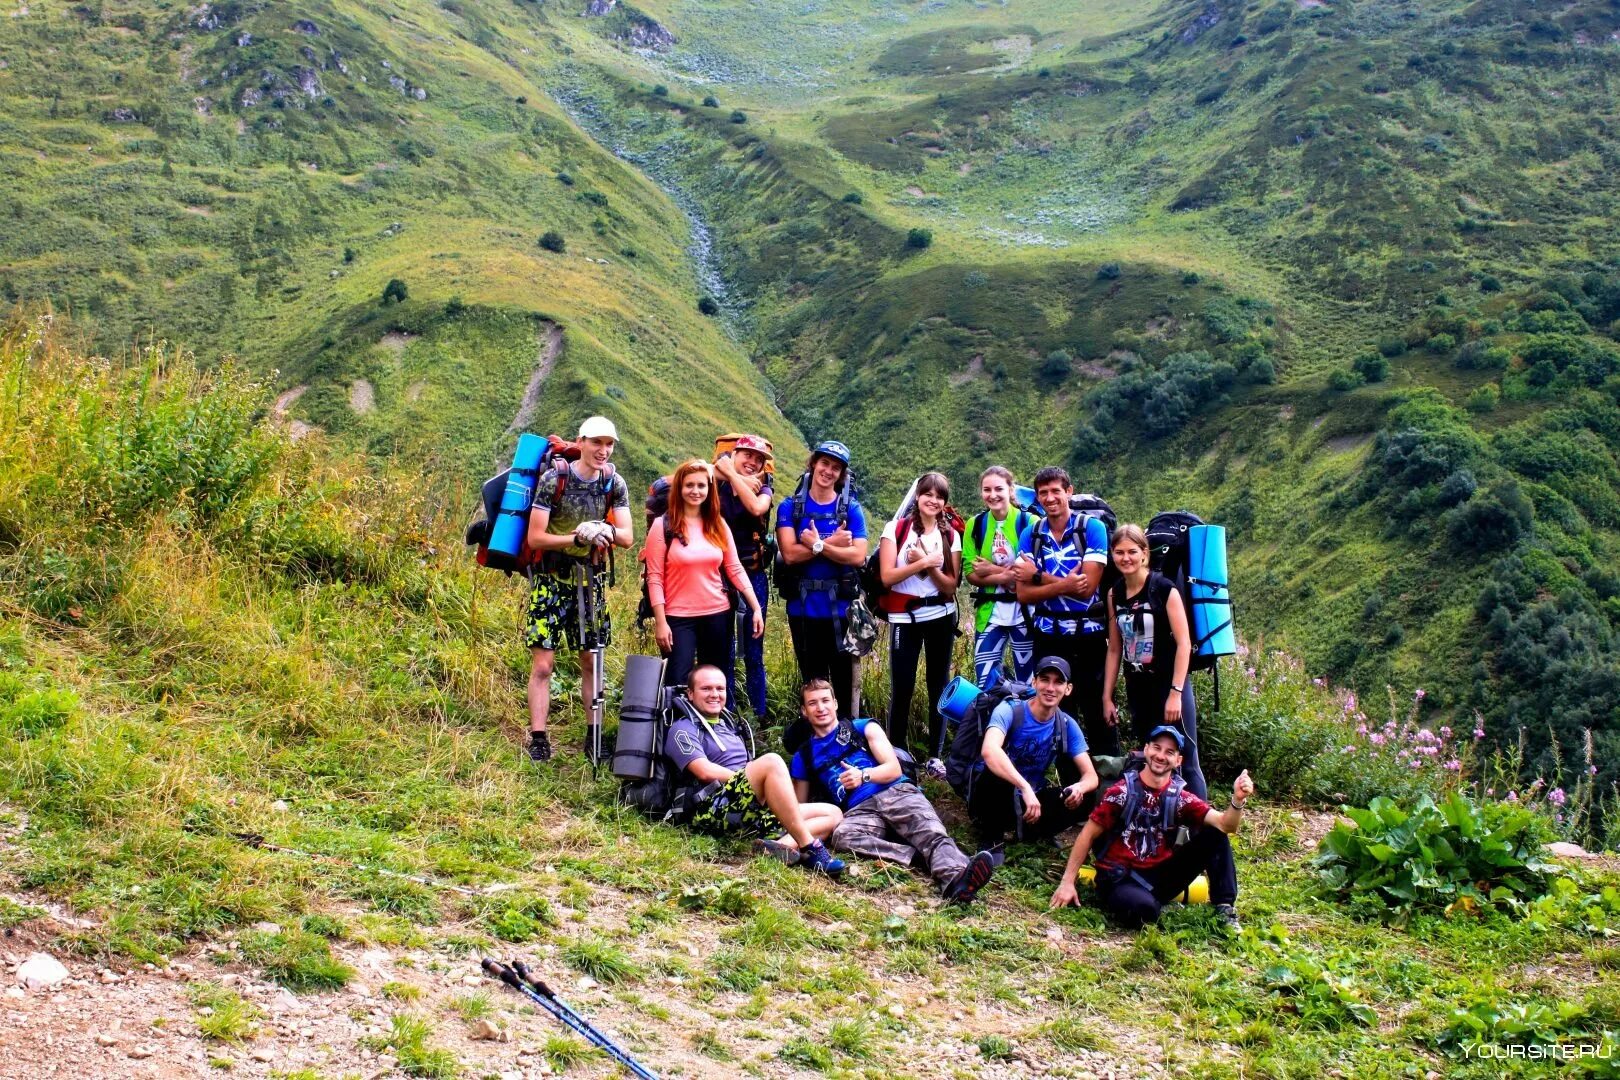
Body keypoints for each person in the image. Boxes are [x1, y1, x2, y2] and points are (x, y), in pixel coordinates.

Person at [789, 680, 997, 902]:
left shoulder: (862, 727)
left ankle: (957, 880)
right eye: (812, 703)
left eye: (825, 701)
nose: (820, 708)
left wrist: (863, 776)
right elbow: (799, 807)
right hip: (859, 810)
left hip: (895, 791)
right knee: (843, 836)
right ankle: (917, 855)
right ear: (804, 711)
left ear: (836, 704)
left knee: (931, 833)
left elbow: (892, 768)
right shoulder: (804, 756)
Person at [1049, 726, 1252, 930]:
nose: (1161, 756)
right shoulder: (1121, 792)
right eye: (1157, 748)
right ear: (1146, 750)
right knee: (1144, 912)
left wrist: (1237, 800)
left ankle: (1224, 907)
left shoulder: (1180, 797)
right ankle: (1152, 905)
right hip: (1120, 877)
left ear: (1178, 761)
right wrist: (1067, 882)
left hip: (1160, 875)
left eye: (1169, 752)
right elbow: (1087, 834)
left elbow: (1226, 824)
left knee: (1216, 833)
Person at [521, 416, 633, 763]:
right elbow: (535, 537)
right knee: (543, 664)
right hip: (550, 579)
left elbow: (628, 537)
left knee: (591, 661)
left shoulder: (614, 484)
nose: (603, 450)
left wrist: (605, 530)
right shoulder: (555, 479)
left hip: (591, 581)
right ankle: (538, 737)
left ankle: (593, 737)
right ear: (581, 441)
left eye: (609, 444)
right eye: (596, 443)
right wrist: (576, 536)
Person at [665, 666, 847, 877]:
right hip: (709, 809)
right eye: (706, 688)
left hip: (747, 806)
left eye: (720, 688)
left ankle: (781, 847)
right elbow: (703, 770)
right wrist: (757, 784)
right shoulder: (683, 728)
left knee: (833, 813)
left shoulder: (728, 725)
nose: (714, 694)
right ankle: (811, 848)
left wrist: (761, 789)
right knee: (771, 761)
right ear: (690, 694)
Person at [1014, 467, 1116, 756]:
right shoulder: (1031, 534)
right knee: (1055, 710)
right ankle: (1069, 789)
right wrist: (1064, 583)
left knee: (1097, 711)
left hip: (1089, 637)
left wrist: (1038, 577)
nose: (1050, 498)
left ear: (1069, 491)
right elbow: (1023, 594)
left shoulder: (1091, 529)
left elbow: (1087, 588)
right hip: (1048, 636)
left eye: (1056, 491)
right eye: (1043, 493)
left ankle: (1107, 787)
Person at [1102, 524, 1207, 797]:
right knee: (1154, 760)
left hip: (1169, 685)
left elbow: (1184, 644)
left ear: (1144, 554)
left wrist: (1176, 692)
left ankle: (1201, 832)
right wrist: (1107, 697)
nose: (1126, 558)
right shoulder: (1115, 593)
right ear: (1112, 555)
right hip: (1138, 688)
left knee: (1187, 760)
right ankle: (1163, 827)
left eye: (1132, 552)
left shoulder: (1164, 589)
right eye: (1119, 552)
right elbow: (1114, 648)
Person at [644, 460, 764, 691]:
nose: (696, 491)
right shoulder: (663, 526)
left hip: (718, 613)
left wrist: (755, 607)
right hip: (677, 617)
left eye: (701, 485)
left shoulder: (717, 524)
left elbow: (734, 567)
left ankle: (714, 728)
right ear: (679, 488)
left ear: (710, 489)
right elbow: (655, 577)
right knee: (677, 682)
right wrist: (660, 621)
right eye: (689, 485)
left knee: (714, 681)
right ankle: (678, 727)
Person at [775, 440, 868, 721]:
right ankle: (816, 745)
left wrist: (818, 545)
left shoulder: (850, 508)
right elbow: (789, 553)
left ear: (841, 475)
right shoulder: (790, 507)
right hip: (803, 610)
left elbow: (859, 556)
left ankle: (848, 738)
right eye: (824, 463)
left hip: (841, 610)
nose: (828, 471)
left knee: (842, 681)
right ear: (813, 463)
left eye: (835, 467)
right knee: (812, 683)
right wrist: (835, 544)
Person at [876, 472, 961, 774]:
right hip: (904, 618)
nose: (933, 501)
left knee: (939, 685)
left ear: (944, 503)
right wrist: (921, 563)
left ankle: (935, 756)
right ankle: (896, 752)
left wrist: (927, 563)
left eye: (939, 497)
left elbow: (950, 586)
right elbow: (887, 577)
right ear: (917, 496)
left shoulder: (950, 535)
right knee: (903, 685)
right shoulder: (895, 530)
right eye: (928, 494)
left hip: (940, 615)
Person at [968, 656, 1100, 849]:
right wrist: (1024, 787)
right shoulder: (1009, 710)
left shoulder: (1066, 724)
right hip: (994, 796)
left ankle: (1033, 831)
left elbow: (1091, 776)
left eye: (1058, 682)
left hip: (1031, 800)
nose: (1050, 688)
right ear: (1034, 682)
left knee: (1087, 796)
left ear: (1068, 689)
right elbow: (989, 751)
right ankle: (992, 838)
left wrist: (1079, 788)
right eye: (1045, 680)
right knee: (995, 774)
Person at [714, 435, 775, 721]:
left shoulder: (765, 487)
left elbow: (756, 508)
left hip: (753, 574)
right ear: (734, 453)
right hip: (718, 576)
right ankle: (726, 714)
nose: (752, 462)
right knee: (722, 646)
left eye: (758, 459)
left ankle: (757, 716)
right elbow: (690, 473)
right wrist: (725, 473)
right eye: (746, 455)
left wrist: (730, 472)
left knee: (754, 648)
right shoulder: (714, 482)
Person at [964, 466, 1038, 689]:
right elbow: (971, 573)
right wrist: (1007, 576)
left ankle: (1026, 724)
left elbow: (1032, 573)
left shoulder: (1029, 522)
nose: (992, 494)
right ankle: (992, 723)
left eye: (998, 488)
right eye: (987, 489)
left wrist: (992, 570)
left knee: (1028, 683)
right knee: (986, 683)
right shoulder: (975, 524)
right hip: (990, 613)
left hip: (1025, 613)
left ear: (1010, 489)